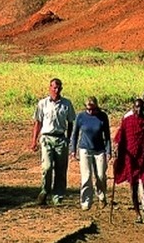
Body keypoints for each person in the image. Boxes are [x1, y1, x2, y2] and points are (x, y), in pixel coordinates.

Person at [31, 78, 76, 206]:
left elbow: (71, 122)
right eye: (54, 87)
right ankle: (45, 190)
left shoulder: (67, 104)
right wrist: (34, 140)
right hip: (46, 137)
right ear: (49, 88)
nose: (56, 90)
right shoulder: (43, 103)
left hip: (61, 138)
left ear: (61, 88)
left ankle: (58, 196)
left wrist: (69, 138)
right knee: (47, 167)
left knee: (61, 169)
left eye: (58, 88)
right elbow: (37, 122)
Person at [113, 98, 144, 223]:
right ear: (133, 108)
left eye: (141, 107)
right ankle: (137, 213)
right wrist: (117, 151)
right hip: (131, 159)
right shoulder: (127, 122)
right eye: (136, 107)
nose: (138, 110)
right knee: (133, 186)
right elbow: (119, 138)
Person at [70, 96, 111, 211]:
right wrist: (73, 150)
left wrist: (108, 150)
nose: (91, 112)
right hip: (85, 149)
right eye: (89, 109)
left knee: (101, 176)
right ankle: (86, 201)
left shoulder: (102, 117)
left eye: (93, 109)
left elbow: (107, 136)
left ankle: (101, 196)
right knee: (86, 176)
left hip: (99, 149)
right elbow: (75, 134)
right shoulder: (81, 117)